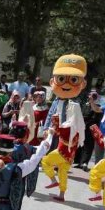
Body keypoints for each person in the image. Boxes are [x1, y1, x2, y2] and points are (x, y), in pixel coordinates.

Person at [38, 54, 87, 202]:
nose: (66, 84)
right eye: (61, 79)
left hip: (64, 141)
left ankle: (54, 181)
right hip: (62, 141)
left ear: (82, 83)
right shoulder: (57, 101)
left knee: (47, 161)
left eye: (73, 80)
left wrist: (54, 128)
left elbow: (72, 125)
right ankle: (61, 193)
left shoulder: (76, 105)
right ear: (53, 81)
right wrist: (46, 128)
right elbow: (51, 114)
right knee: (63, 170)